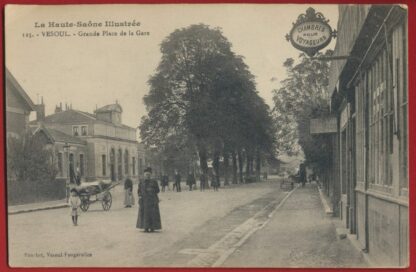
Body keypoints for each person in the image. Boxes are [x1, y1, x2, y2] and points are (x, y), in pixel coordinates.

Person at [136, 167, 162, 232]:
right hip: (144, 200)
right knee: (145, 214)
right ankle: (145, 227)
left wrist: (151, 190)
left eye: (148, 175)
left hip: (152, 200)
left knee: (153, 214)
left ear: (150, 175)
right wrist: (140, 195)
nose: (147, 176)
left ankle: (152, 227)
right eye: (146, 174)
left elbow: (158, 190)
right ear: (144, 175)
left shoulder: (154, 182)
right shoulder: (141, 182)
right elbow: (139, 190)